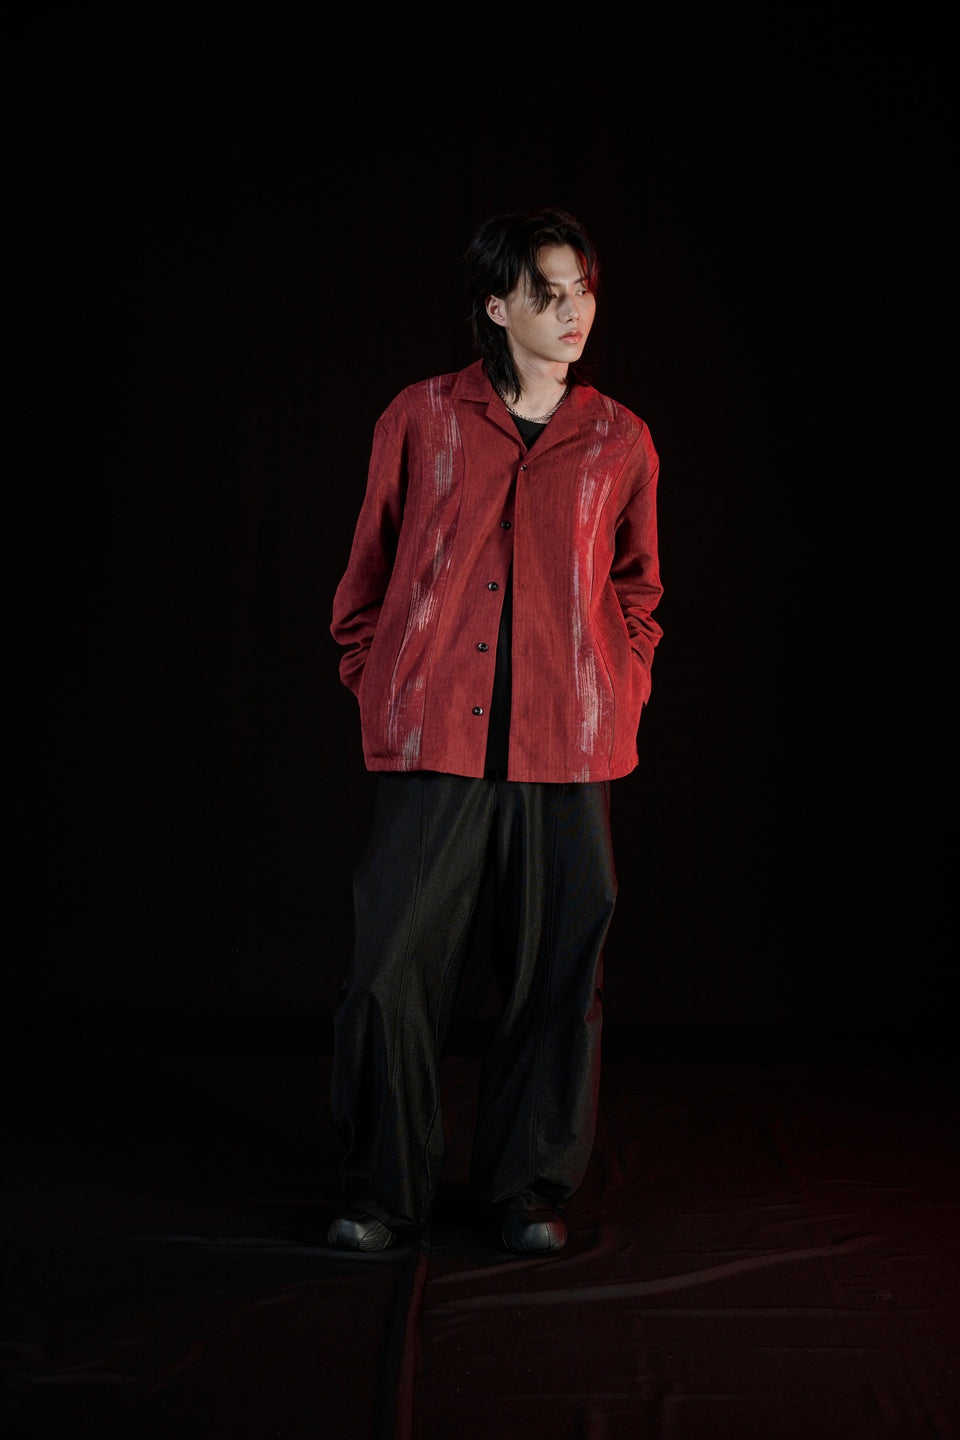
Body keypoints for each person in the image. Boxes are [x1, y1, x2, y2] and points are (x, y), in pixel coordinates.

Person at [327, 207, 663, 1255]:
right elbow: (365, 577)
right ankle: (383, 1192)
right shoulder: (420, 417)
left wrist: (621, 684)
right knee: (392, 970)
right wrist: (382, 684)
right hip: (436, 735)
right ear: (497, 306)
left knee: (557, 971)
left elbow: (639, 589)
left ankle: (526, 1190)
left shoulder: (619, 438)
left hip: (570, 743)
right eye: (547, 294)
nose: (572, 312)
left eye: (582, 291)